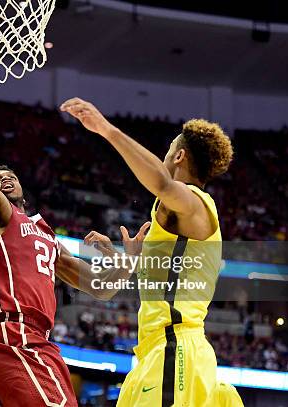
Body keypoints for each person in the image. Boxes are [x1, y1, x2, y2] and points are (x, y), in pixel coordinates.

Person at [0, 23, 149, 407]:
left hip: (40, 343)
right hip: (13, 336)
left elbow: (101, 287)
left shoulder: (44, 233)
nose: (3, 177)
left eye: (9, 175)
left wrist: (126, 262)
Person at [61, 98, 244, 407]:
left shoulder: (197, 203)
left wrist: (106, 130)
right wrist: (131, 260)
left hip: (177, 349)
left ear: (180, 156)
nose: (165, 157)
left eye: (169, 150)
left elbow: (161, 182)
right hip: (154, 352)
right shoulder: (177, 229)